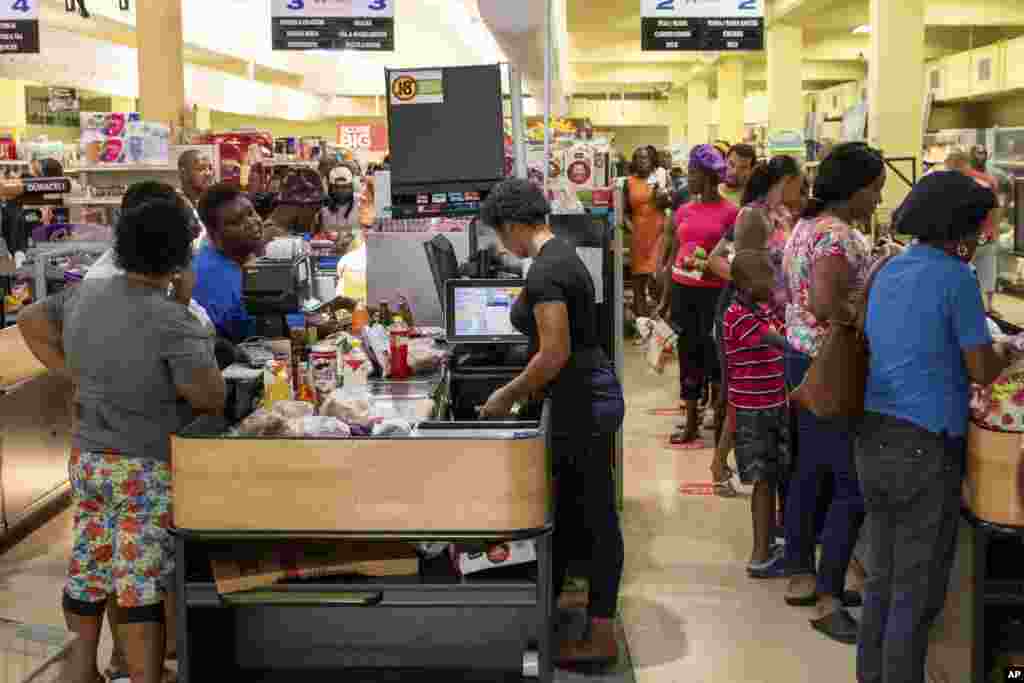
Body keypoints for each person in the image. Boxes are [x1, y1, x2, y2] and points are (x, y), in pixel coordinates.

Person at [17, 200, 225, 683]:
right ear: (178, 258)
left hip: (88, 460)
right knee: (139, 581)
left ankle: (79, 672)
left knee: (90, 563)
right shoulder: (172, 318)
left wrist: (76, 377)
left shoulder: (83, 297)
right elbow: (210, 396)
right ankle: (146, 678)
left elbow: (30, 318)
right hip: (144, 466)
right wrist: (181, 303)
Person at [857, 172, 1007, 683]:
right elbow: (981, 368)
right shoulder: (956, 279)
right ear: (961, 224)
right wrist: (1005, 351)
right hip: (925, 447)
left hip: (874, 435)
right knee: (915, 591)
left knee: (881, 576)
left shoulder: (887, 269)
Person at [478, 179, 625, 666]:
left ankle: (601, 637)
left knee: (596, 517)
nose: (502, 245)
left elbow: (554, 352)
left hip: (580, 399)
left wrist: (505, 395)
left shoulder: (547, 270)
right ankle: (571, 610)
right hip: (588, 391)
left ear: (515, 224)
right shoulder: (559, 255)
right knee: (577, 510)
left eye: (501, 234)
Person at [781, 142, 886, 644]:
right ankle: (827, 598)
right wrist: (870, 308)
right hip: (832, 363)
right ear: (854, 190)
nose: (876, 201)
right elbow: (827, 304)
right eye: (874, 191)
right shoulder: (838, 236)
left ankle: (801, 572)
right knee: (851, 484)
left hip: (800, 358)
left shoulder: (804, 227)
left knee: (810, 471)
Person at [707, 156, 804, 496]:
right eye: (798, 181)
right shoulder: (752, 215)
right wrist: (764, 296)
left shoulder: (781, 215)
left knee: (757, 392)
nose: (802, 189)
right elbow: (731, 262)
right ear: (785, 180)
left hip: (771, 311)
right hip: (747, 314)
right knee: (741, 394)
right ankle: (720, 462)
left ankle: (725, 461)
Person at [659, 145, 738, 444]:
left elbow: (733, 255)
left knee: (716, 357)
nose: (687, 179)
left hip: (715, 294)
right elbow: (676, 254)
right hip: (683, 291)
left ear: (705, 176)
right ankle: (690, 422)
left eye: (691, 172)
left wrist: (710, 266)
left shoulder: (731, 213)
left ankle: (718, 424)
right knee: (687, 354)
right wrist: (666, 296)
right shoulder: (683, 211)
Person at [722, 250, 789, 577]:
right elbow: (779, 341)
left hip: (770, 406)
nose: (774, 282)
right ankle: (760, 555)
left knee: (771, 479)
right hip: (755, 413)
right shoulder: (739, 316)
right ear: (747, 284)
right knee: (763, 484)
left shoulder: (755, 310)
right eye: (767, 277)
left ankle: (769, 544)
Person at [85, 182, 212, 332]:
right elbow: (157, 340)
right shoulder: (106, 281)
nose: (196, 231)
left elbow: (204, 323)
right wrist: (181, 299)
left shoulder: (154, 264)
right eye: (183, 223)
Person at [192, 184, 268, 344]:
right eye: (236, 221)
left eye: (251, 212)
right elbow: (249, 335)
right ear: (213, 233)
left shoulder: (242, 256)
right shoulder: (210, 274)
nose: (252, 222)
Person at [624, 146, 670, 321]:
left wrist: (662, 191)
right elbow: (625, 210)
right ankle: (642, 325)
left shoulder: (658, 179)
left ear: (652, 161)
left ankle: (659, 320)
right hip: (638, 233)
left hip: (658, 231)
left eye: (646, 158)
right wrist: (629, 226)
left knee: (657, 278)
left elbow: (667, 204)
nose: (642, 161)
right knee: (638, 282)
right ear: (634, 161)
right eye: (639, 158)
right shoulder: (628, 182)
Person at [319, 163, 362, 255]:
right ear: (331, 188)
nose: (341, 191)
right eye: (337, 188)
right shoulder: (324, 207)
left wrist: (351, 236)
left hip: (357, 254)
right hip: (331, 254)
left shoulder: (361, 203)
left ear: (351, 186)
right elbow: (321, 233)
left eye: (345, 187)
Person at [177, 150, 214, 245]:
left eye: (210, 168)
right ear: (183, 173)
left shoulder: (214, 204)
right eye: (201, 169)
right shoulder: (173, 205)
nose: (208, 173)